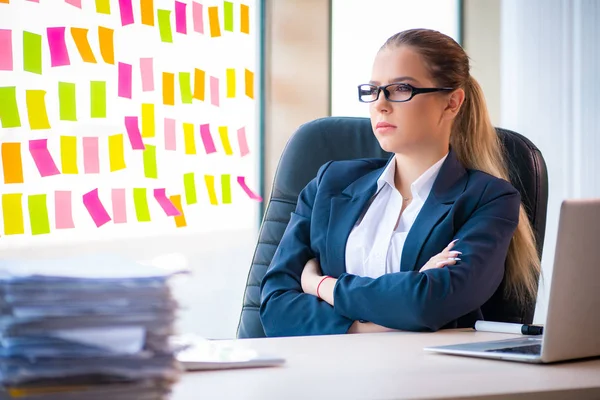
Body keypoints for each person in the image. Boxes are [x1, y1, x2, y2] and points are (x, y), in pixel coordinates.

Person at [259, 29, 541, 337]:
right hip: (327, 374)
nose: (380, 104)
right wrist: (372, 324)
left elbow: (427, 303)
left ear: (452, 103)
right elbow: (275, 308)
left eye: (400, 89)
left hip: (430, 378)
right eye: (373, 90)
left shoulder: (488, 199)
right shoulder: (330, 184)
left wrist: (321, 285)